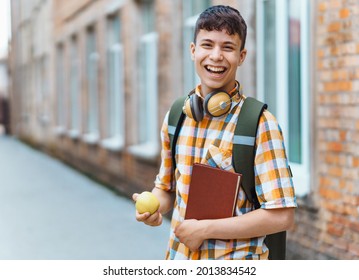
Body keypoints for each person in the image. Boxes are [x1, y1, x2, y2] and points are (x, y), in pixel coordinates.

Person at [133, 5, 297, 260]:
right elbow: (166, 189)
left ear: (241, 56)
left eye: (228, 47)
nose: (216, 56)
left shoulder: (259, 124)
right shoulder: (176, 116)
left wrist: (206, 229)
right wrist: (154, 210)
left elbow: (282, 215)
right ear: (193, 50)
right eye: (207, 45)